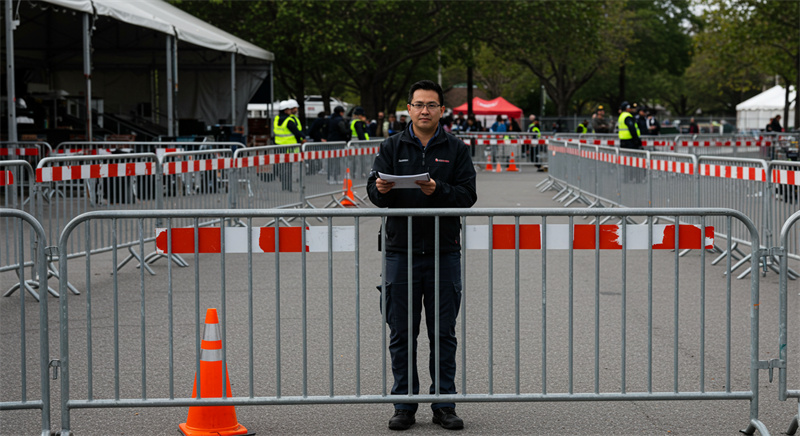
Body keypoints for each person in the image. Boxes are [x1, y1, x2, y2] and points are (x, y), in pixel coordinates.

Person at [367, 79, 477, 432]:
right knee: (401, 333)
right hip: (401, 252)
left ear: (442, 110)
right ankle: (403, 404)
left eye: (431, 105)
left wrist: (437, 189)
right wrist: (379, 188)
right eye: (418, 104)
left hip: (444, 252)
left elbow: (467, 196)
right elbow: (375, 193)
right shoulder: (391, 146)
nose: (425, 110)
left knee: (443, 333)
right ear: (409, 109)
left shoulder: (456, 148)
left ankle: (444, 404)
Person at [273, 99, 305, 191]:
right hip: (289, 147)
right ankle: (288, 187)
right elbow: (296, 132)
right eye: (289, 109)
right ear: (286, 110)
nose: (291, 110)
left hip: (279, 145)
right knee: (288, 168)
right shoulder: (289, 120)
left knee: (284, 167)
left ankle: (285, 186)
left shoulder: (277, 118)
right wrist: (303, 138)